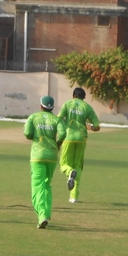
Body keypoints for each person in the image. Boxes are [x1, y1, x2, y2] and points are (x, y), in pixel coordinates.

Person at [23, 95, 67, 229]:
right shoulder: (57, 120)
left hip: (37, 156)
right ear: (52, 107)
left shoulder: (33, 117)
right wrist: (57, 144)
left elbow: (28, 134)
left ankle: (41, 215)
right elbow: (63, 134)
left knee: (37, 186)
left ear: (41, 105)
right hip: (52, 156)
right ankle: (47, 213)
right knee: (47, 184)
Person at [58, 87, 101, 203]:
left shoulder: (67, 104)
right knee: (78, 166)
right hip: (81, 138)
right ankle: (73, 197)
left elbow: (58, 119)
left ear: (73, 96)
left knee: (64, 164)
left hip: (68, 137)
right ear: (84, 98)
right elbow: (97, 126)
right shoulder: (87, 107)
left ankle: (69, 172)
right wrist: (90, 127)